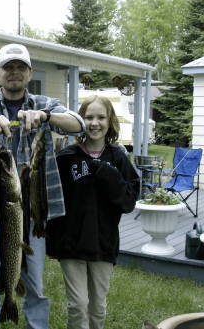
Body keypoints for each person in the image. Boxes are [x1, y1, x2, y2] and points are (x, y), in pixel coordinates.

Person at [0, 43, 85, 329]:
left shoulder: (44, 104)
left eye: (20, 67)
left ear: (29, 72)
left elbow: (78, 124)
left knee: (35, 284)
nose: (14, 73)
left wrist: (46, 117)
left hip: (33, 217)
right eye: (8, 67)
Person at [45, 95, 140, 329]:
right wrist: (52, 237)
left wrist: (106, 172)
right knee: (77, 305)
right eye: (89, 117)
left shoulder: (118, 157)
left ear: (110, 121)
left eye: (101, 117)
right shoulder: (66, 158)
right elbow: (51, 198)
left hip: (103, 243)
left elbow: (128, 201)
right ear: (79, 120)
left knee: (97, 307)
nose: (95, 123)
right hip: (71, 242)